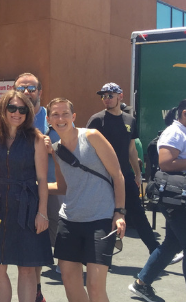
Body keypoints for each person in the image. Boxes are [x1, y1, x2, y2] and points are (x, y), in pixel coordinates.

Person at [129, 97, 186, 302]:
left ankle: (141, 283)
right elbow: (166, 163)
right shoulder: (174, 132)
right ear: (185, 113)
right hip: (179, 200)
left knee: (172, 244)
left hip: (182, 199)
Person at [46, 98, 126, 302]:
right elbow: (63, 187)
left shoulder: (92, 136)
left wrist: (119, 212)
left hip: (100, 220)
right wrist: (33, 188)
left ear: (73, 117)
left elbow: (118, 175)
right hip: (69, 220)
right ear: (48, 119)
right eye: (55, 114)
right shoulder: (56, 150)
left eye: (65, 114)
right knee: (70, 282)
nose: (60, 118)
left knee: (95, 286)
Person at [0, 91, 52, 302]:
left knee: (27, 267)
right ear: (3, 110)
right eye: (12, 108)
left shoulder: (36, 138)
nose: (16, 113)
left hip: (28, 207)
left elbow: (42, 179)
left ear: (27, 112)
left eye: (22, 109)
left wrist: (43, 213)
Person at [87, 83, 159, 255]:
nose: (106, 99)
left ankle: (157, 251)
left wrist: (137, 174)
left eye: (110, 95)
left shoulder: (130, 120)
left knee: (138, 213)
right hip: (103, 176)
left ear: (120, 96)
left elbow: (132, 150)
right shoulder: (97, 120)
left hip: (125, 175)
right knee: (105, 215)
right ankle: (101, 256)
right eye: (103, 96)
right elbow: (87, 148)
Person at [15, 72, 54, 301]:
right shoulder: (12, 115)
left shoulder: (53, 118)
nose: (27, 92)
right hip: (20, 192)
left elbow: (70, 148)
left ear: (40, 92)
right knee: (27, 247)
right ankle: (36, 291)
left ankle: (36, 288)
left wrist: (53, 149)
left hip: (50, 188)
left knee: (41, 244)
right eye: (21, 88)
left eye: (31, 88)